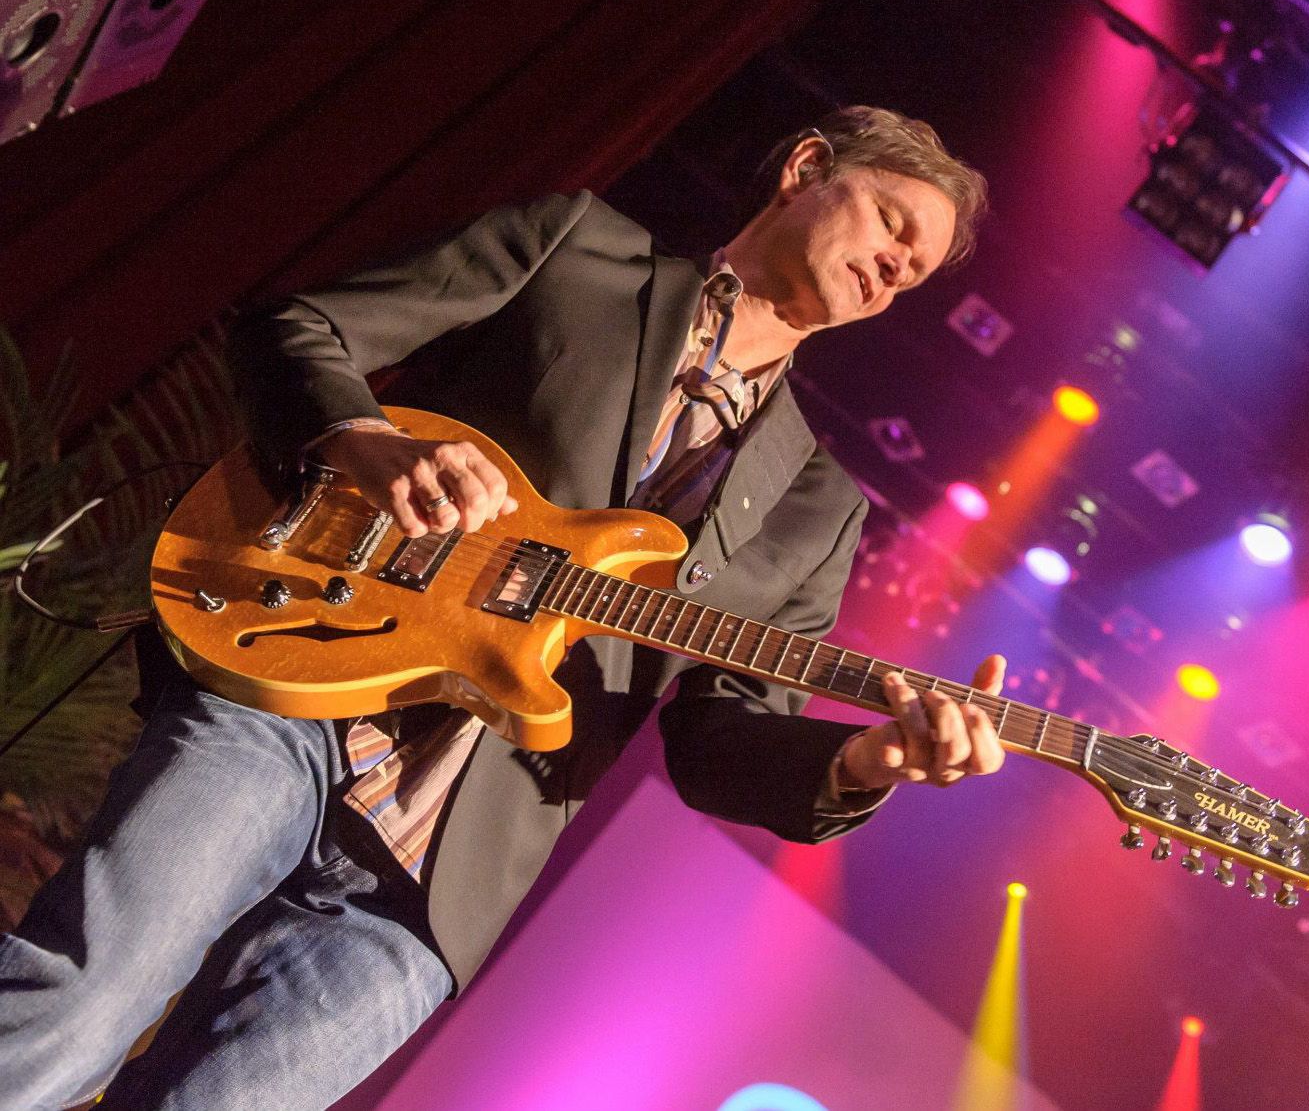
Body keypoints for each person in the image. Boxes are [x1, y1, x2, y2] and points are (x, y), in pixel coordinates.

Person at [0, 105, 1007, 1110]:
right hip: (301, 691)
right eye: (891, 224)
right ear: (805, 168)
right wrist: (363, 439)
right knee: (78, 1003)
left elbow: (716, 744)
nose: (893, 269)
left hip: (438, 877)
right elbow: (298, 328)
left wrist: (865, 761)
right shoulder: (578, 250)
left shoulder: (816, 507)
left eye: (913, 274)